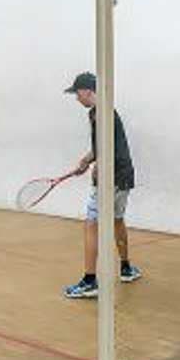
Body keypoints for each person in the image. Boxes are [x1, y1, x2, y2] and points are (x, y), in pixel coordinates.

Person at [60, 71, 140, 299]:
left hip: (111, 177)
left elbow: (107, 151)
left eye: (77, 93)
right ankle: (126, 268)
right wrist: (86, 161)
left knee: (91, 225)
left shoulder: (100, 114)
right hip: (124, 176)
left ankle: (89, 281)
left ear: (87, 91)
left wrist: (99, 168)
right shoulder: (103, 112)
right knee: (117, 219)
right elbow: (102, 146)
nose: (77, 98)